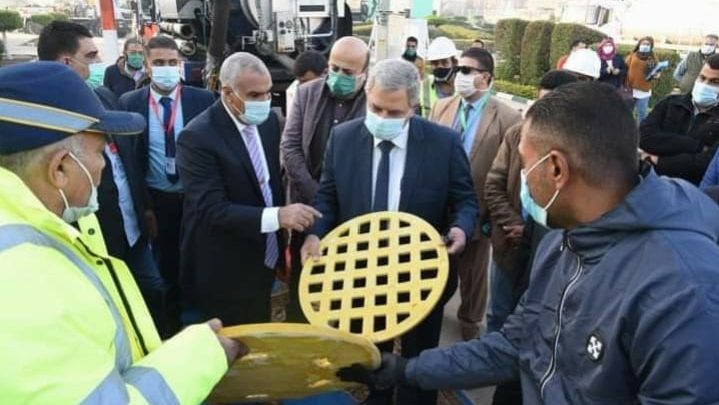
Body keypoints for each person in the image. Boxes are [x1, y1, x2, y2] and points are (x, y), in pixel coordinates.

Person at [340, 81, 719, 404]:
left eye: (523, 163)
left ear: (555, 169)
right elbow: (519, 342)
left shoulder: (685, 289)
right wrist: (408, 370)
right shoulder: (563, 237)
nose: (520, 176)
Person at [0, 61, 244, 403]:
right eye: (101, 152)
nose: (105, 166)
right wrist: (201, 356)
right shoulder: (21, 277)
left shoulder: (34, 231)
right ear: (60, 168)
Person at [302, 58, 479, 405]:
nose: (382, 118)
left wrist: (460, 228)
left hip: (421, 275)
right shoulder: (343, 138)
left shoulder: (443, 143)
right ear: (367, 95)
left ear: (413, 107)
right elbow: (327, 198)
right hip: (361, 273)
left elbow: (465, 200)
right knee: (370, 359)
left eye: (394, 112)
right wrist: (315, 233)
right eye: (375, 108)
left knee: (420, 361)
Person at [38, 20, 167, 333]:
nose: (98, 63)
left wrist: (145, 207)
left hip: (133, 229)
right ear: (66, 63)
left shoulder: (105, 97)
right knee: (113, 310)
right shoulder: (45, 119)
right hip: (96, 238)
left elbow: (128, 162)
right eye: (91, 56)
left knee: (153, 292)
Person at [176, 52, 321, 326]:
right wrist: (279, 216)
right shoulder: (197, 138)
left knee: (258, 325)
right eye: (254, 95)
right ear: (228, 93)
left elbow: (269, 184)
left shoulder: (268, 123)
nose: (264, 101)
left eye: (268, 93)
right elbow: (211, 210)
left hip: (263, 258)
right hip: (225, 267)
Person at [483, 69, 578, 405]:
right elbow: (494, 184)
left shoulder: (577, 152)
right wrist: (513, 223)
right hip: (509, 244)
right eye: (538, 104)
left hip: (548, 252)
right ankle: (494, 372)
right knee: (500, 315)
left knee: (537, 324)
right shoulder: (516, 135)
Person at [119, 36, 216, 335]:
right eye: (159, 63)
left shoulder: (203, 100)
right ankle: (172, 331)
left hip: (196, 199)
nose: (166, 68)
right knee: (167, 267)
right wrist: (145, 208)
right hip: (159, 201)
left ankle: (204, 326)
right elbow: (131, 163)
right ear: (147, 66)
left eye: (172, 63)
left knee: (201, 265)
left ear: (180, 64)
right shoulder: (130, 103)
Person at [428, 47, 521, 340]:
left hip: (480, 207)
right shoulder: (441, 107)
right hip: (440, 204)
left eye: (467, 71)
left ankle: (469, 326)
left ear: (486, 78)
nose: (459, 76)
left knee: (474, 275)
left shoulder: (507, 117)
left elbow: (509, 172)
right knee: (437, 265)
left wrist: (498, 215)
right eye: (459, 70)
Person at [280, 36, 370, 322]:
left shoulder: (373, 102)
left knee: (347, 288)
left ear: (364, 74)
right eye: (335, 68)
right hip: (307, 207)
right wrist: (317, 195)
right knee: (303, 282)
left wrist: (337, 200)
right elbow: (290, 146)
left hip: (351, 213)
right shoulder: (307, 94)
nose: (339, 76)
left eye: (348, 72)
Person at [640, 54, 719, 185]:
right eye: (702, 78)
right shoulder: (670, 103)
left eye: (715, 82)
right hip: (651, 181)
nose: (705, 85)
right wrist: (696, 146)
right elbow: (644, 137)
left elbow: (705, 164)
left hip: (691, 190)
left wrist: (657, 160)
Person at [37, 20, 117, 109]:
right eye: (91, 55)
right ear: (66, 62)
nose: (99, 60)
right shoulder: (35, 105)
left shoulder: (103, 97)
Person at [420, 36, 459, 117]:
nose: (439, 66)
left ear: (454, 63)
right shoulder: (424, 86)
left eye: (444, 62)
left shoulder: (464, 86)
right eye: (435, 63)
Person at [285, 50, 328, 118]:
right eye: (300, 82)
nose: (303, 88)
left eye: (307, 82)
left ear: (325, 73)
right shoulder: (295, 92)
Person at [626, 36, 659, 122]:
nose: (645, 45)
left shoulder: (652, 58)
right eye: (643, 44)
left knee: (642, 114)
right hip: (630, 89)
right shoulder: (632, 55)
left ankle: (641, 130)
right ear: (639, 44)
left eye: (648, 44)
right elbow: (625, 67)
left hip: (644, 91)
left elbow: (656, 71)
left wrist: (657, 75)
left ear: (651, 46)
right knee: (627, 113)